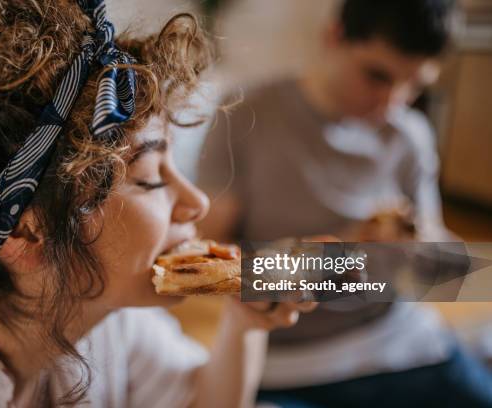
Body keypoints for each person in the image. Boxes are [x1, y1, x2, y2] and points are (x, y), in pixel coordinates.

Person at [0, 1, 316, 407]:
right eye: (148, 179)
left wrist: (244, 325)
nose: (197, 202)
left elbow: (199, 399)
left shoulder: (103, 312)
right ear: (27, 231)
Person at [198, 0, 492, 406]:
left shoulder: (410, 135)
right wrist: (341, 250)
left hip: (397, 337)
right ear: (334, 37)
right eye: (377, 75)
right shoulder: (247, 115)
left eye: (414, 86)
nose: (392, 102)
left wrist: (425, 246)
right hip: (284, 355)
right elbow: (209, 269)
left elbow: (437, 262)